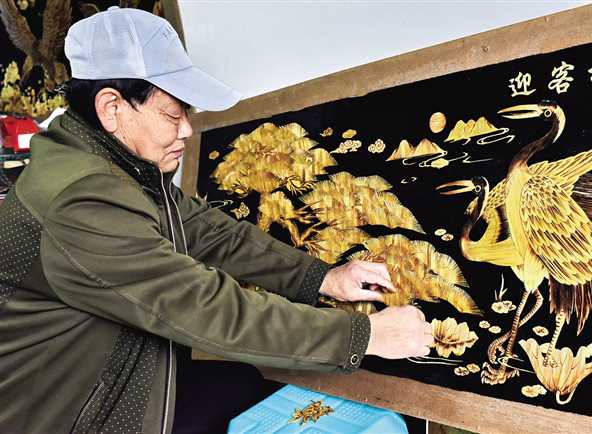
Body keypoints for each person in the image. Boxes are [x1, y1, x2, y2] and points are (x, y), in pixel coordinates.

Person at [0, 7, 433, 434]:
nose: (187, 131)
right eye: (172, 115)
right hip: (70, 415)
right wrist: (364, 336)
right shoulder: (83, 199)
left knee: (242, 383)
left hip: (114, 372)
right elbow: (201, 306)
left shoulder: (113, 165)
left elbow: (208, 232)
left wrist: (322, 277)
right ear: (111, 108)